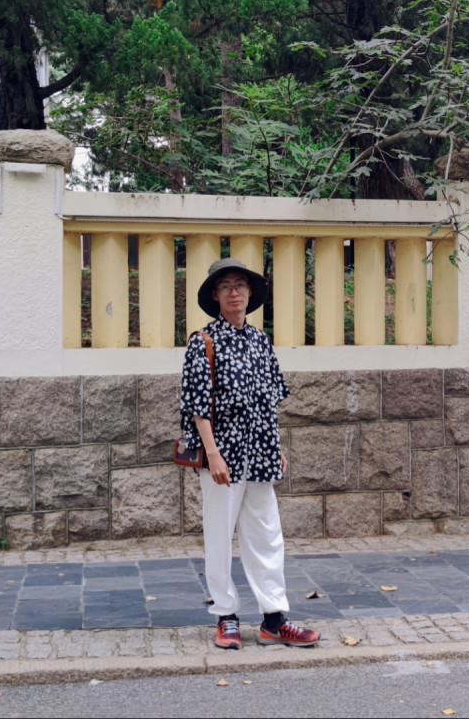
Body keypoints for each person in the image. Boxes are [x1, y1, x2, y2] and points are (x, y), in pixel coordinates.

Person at [179, 257, 319, 650]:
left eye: (240, 285)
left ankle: (274, 620)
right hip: (222, 455)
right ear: (215, 296)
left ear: (250, 292)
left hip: (260, 453)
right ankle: (226, 616)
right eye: (225, 286)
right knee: (220, 535)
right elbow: (197, 406)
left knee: (267, 535)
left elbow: (270, 399)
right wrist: (213, 454)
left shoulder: (260, 341)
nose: (234, 292)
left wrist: (276, 447)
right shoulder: (202, 341)